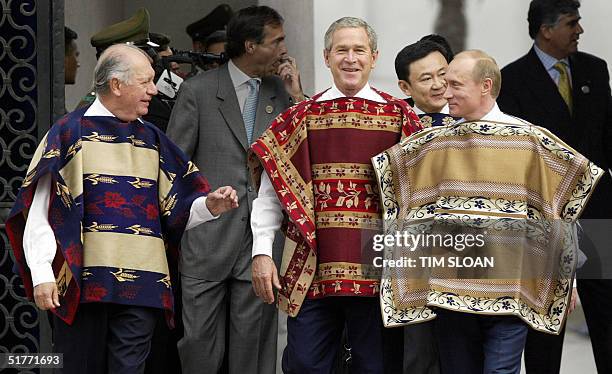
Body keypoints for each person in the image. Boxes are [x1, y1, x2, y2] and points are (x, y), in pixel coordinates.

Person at [6, 44, 238, 374]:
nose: (154, 90)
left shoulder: (153, 138)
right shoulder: (70, 134)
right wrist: (42, 273)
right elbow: (42, 210)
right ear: (116, 85)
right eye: (145, 82)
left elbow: (174, 210)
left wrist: (209, 206)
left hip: (143, 287)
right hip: (83, 285)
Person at [372, 49, 601, 374]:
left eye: (455, 84)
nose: (445, 92)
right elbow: (399, 195)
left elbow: (560, 209)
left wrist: (569, 278)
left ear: (485, 85)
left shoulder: (531, 142)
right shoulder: (434, 144)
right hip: (450, 294)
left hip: (511, 292)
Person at [249, 16, 421, 373]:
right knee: (306, 365)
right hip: (313, 271)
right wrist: (262, 253)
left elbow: (421, 199)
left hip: (379, 272)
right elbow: (269, 196)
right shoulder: (300, 117)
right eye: (341, 50)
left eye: (359, 50)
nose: (351, 58)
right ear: (326, 57)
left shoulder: (400, 117)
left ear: (374, 57)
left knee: (376, 368)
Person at [166, 6, 304, 373]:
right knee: (198, 347)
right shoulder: (198, 91)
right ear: (250, 45)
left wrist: (297, 95)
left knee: (254, 347)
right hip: (207, 240)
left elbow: (304, 155)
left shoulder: (280, 92)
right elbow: (174, 167)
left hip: (260, 244)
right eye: (277, 42)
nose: (284, 50)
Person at [498, 1, 612, 373]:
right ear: (546, 29)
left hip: (596, 211)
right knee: (547, 316)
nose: (579, 30)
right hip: (544, 218)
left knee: (606, 311)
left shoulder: (595, 70)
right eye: (571, 23)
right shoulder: (511, 80)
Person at [395, 39, 457, 128]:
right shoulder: (393, 120)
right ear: (405, 87)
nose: (438, 85)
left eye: (442, 74)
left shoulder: (472, 114)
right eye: (427, 78)